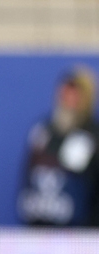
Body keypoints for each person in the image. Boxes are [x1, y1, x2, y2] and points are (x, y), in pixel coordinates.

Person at [18, 66, 99, 228]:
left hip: (80, 235)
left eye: (75, 93)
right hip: (39, 227)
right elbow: (28, 176)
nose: (68, 98)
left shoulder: (92, 135)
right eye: (65, 91)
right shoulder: (42, 130)